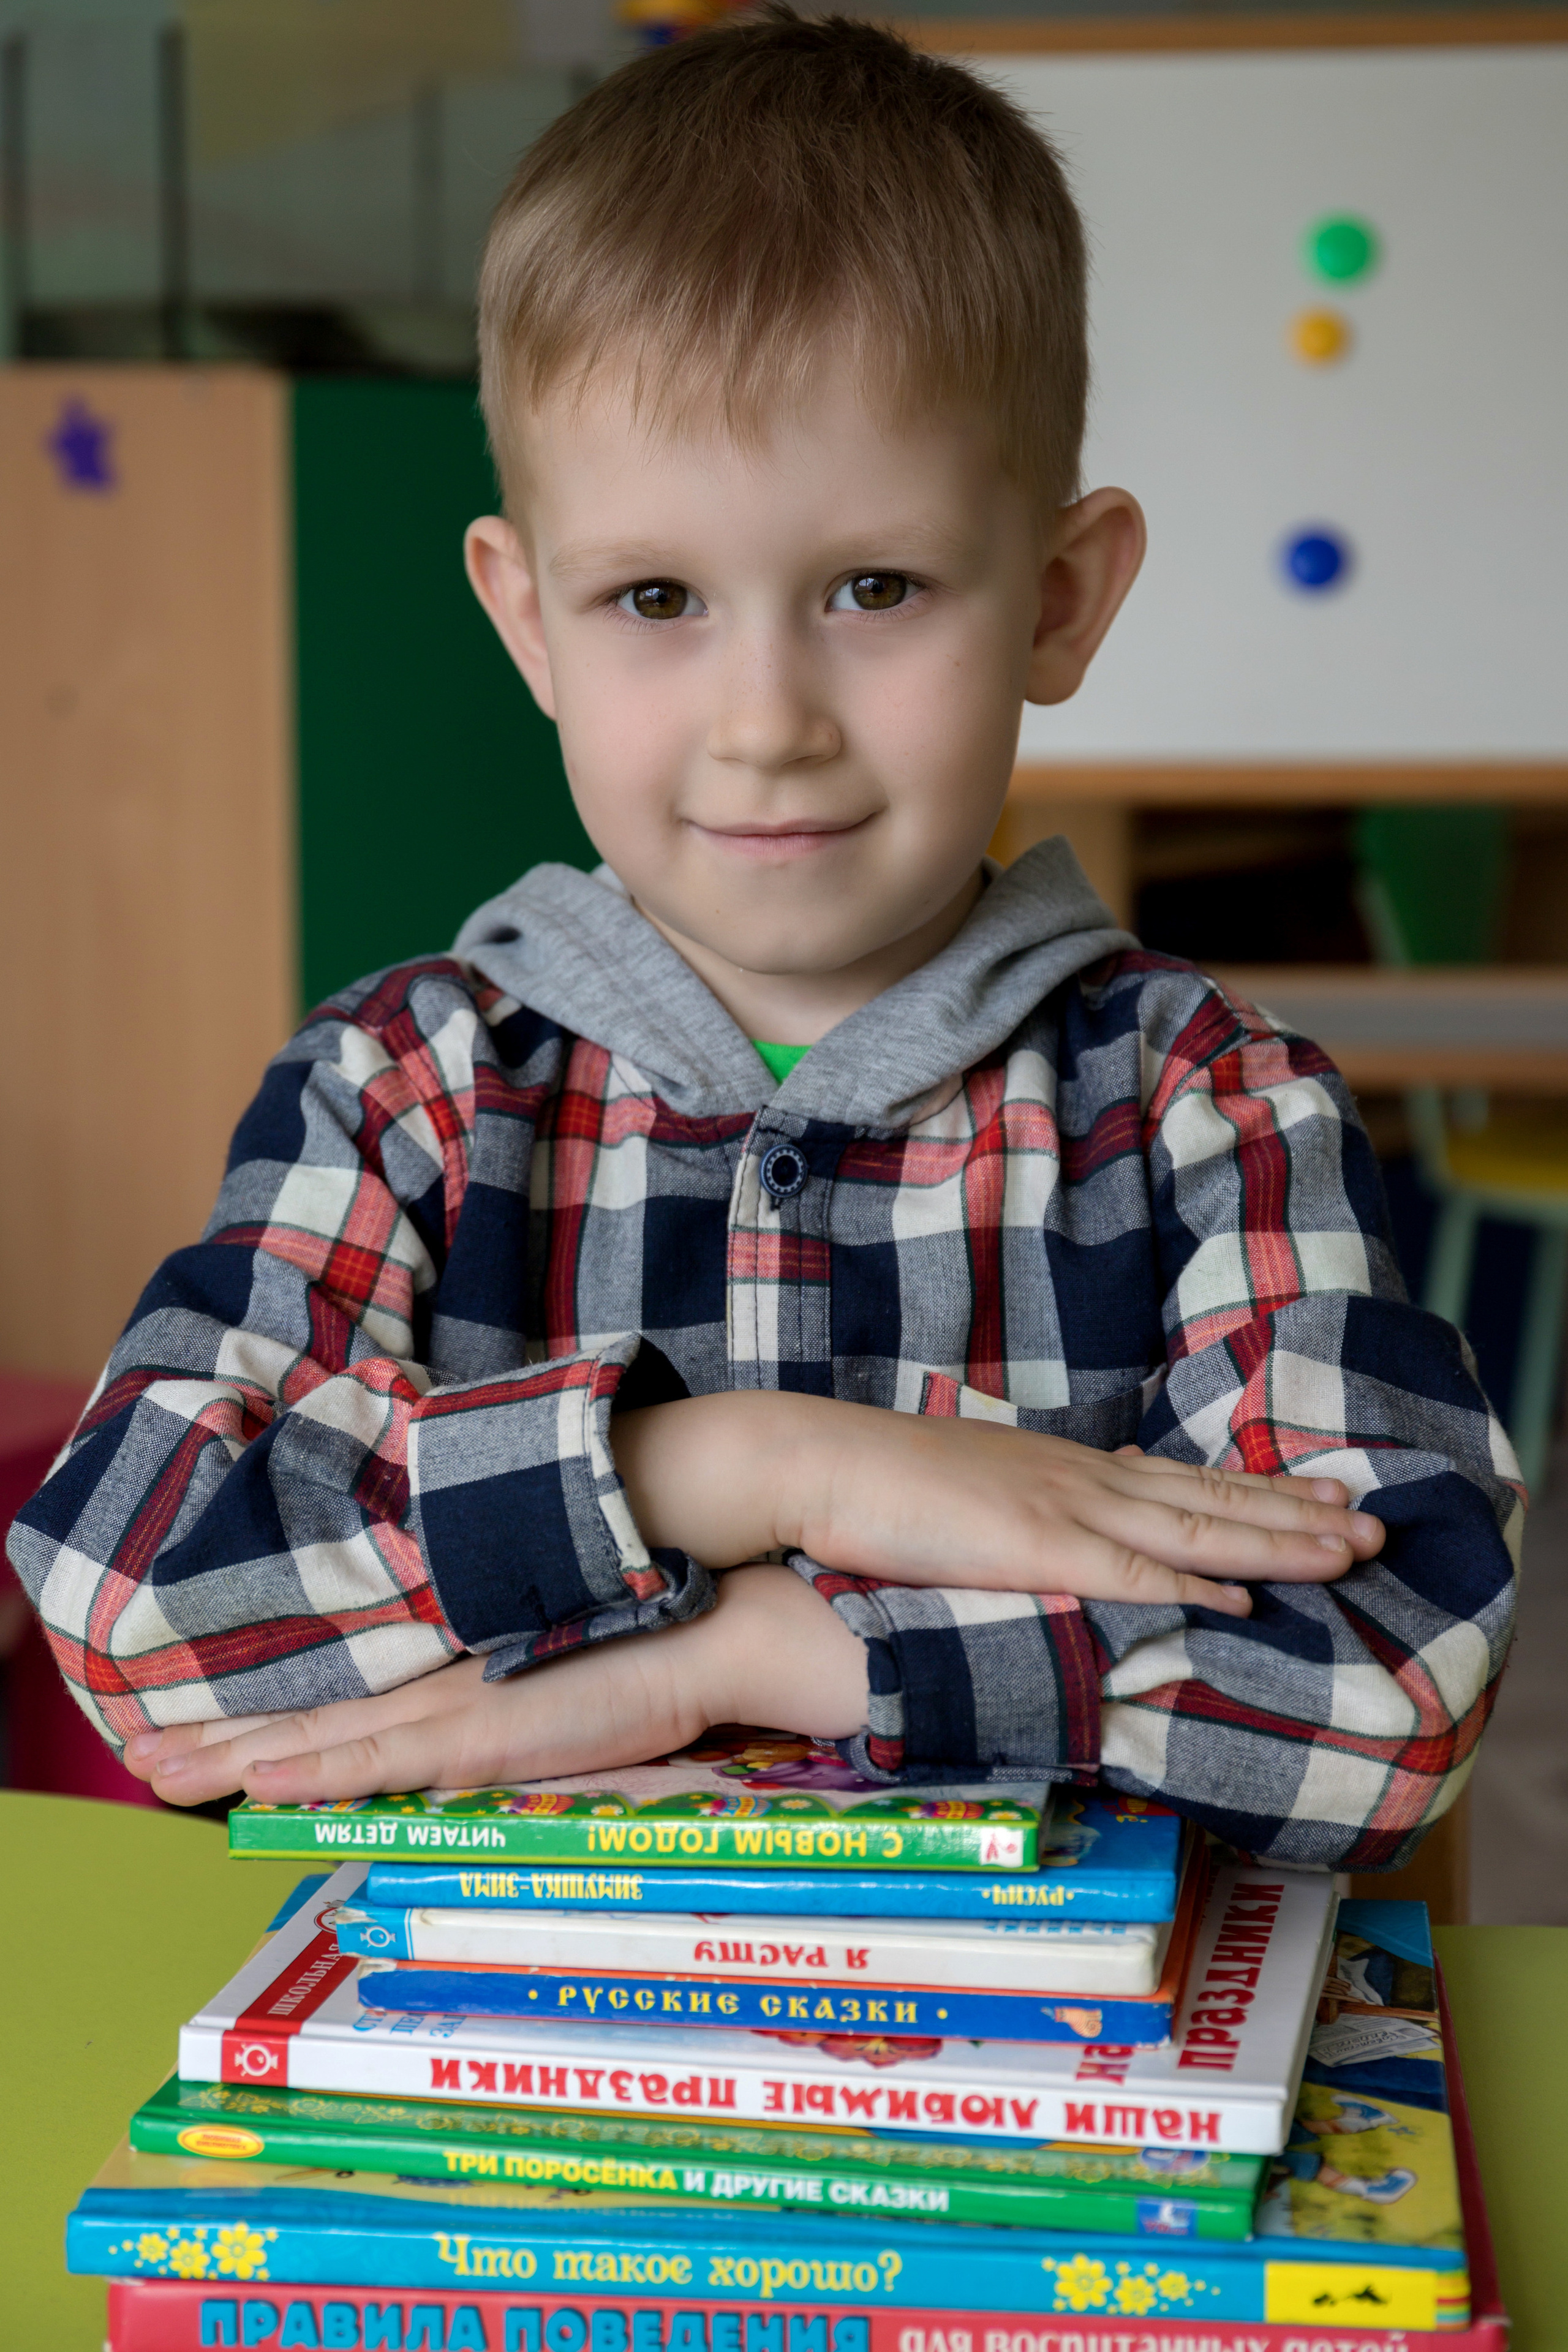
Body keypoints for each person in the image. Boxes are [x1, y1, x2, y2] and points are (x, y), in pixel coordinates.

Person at [6, 8, 1517, 1864]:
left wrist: (769, 1648)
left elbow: (1398, 1684)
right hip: (499, 2098)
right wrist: (737, 1465)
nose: (768, 718)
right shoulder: (406, 1085)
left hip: (1027, 2112)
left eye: (874, 587)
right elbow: (131, 1606)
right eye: (656, 596)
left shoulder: (1206, 1104)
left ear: (1057, 600)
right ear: (529, 620)